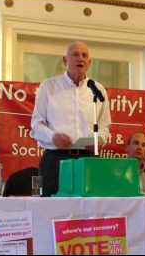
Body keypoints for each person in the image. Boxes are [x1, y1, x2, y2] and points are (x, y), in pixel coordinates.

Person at [31, 41, 111, 197]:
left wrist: (100, 139)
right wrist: (53, 137)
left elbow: (104, 126)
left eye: (84, 55)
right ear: (65, 61)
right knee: (50, 209)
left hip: (88, 160)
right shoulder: (48, 87)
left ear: (89, 62)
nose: (80, 59)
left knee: (90, 210)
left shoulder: (98, 90)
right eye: (75, 54)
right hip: (56, 159)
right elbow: (36, 126)